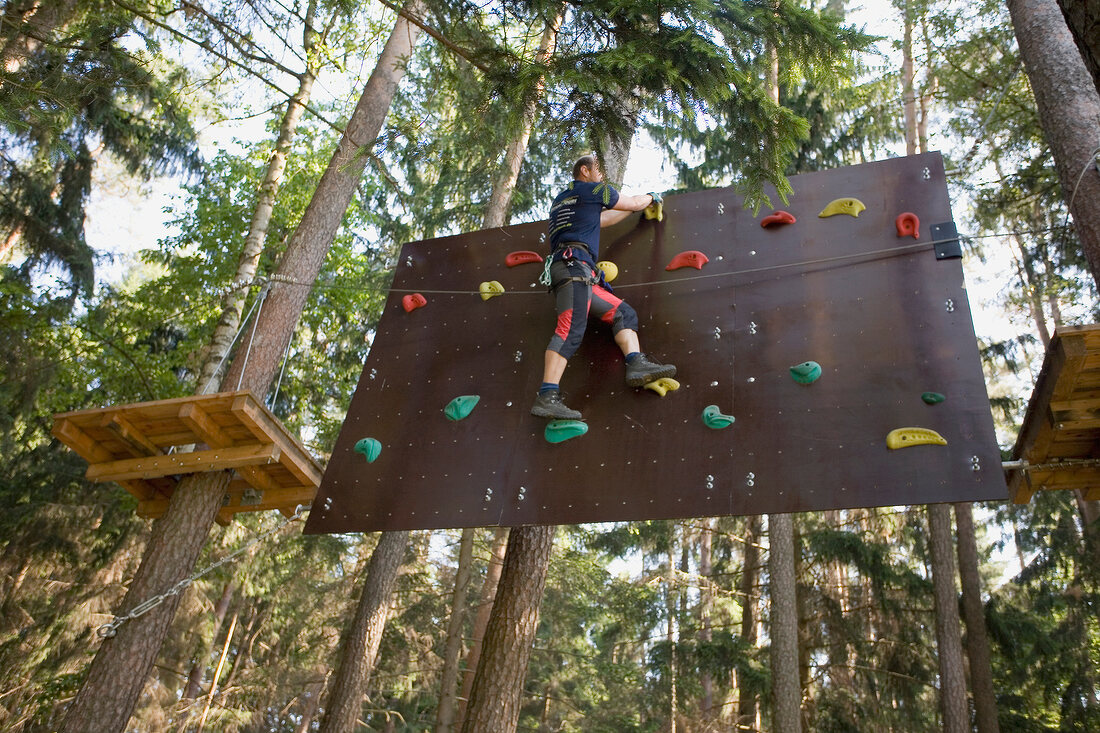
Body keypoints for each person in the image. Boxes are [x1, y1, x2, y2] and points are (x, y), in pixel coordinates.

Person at [531, 155, 676, 420]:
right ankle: (547, 395)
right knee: (571, 328)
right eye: (599, 170)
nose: (603, 177)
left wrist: (633, 208)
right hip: (575, 268)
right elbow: (631, 202)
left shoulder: (563, 200)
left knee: (624, 314)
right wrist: (650, 197)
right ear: (584, 171)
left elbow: (605, 220)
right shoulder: (595, 190)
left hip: (575, 272)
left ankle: (636, 364)